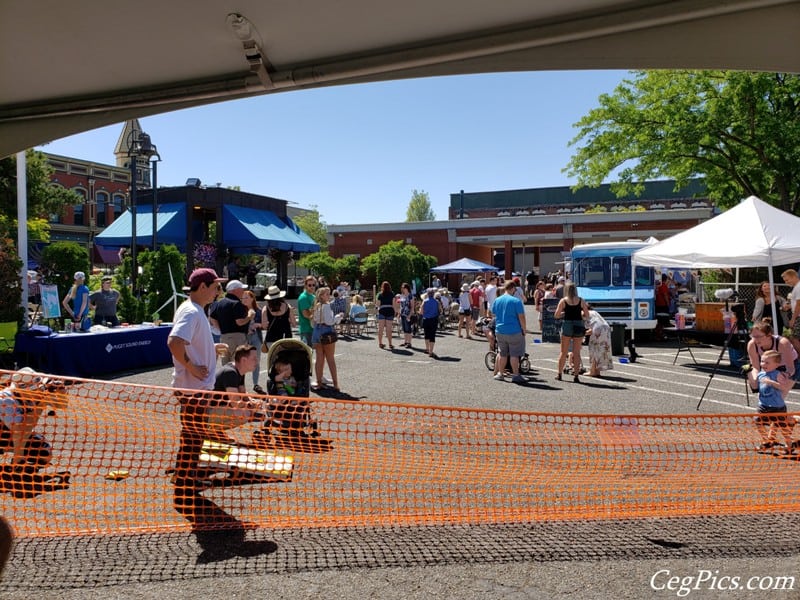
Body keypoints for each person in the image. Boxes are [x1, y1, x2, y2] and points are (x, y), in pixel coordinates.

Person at [167, 268, 259, 526]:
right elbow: (174, 342)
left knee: (193, 436)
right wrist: (193, 367)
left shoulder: (195, 310)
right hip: (193, 389)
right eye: (215, 286)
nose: (218, 291)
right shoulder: (191, 310)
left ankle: (185, 479)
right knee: (193, 437)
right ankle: (185, 482)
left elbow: (188, 342)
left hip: (196, 388)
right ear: (203, 286)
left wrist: (210, 348)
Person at [210, 344, 264, 437]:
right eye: (254, 358)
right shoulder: (230, 373)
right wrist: (252, 405)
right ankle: (210, 431)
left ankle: (216, 430)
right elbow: (236, 403)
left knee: (248, 411)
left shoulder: (239, 371)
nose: (257, 361)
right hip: (207, 411)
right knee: (244, 414)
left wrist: (252, 401)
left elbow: (243, 393)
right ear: (243, 360)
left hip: (218, 408)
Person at [753, 350, 796, 455]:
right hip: (763, 406)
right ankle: (766, 441)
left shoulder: (777, 374)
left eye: (767, 363)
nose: (763, 364)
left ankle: (789, 445)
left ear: (776, 364)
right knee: (757, 421)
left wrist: (771, 382)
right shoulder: (761, 374)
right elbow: (760, 387)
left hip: (777, 407)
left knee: (782, 427)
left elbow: (783, 387)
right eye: (762, 361)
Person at [745, 318, 798, 391]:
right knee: (764, 394)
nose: (755, 340)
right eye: (753, 336)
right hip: (768, 365)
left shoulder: (782, 343)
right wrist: (755, 379)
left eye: (759, 337)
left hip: (788, 367)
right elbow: (755, 367)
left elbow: (791, 368)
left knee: (778, 397)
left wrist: (785, 375)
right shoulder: (752, 344)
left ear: (769, 335)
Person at [210, 279, 255, 365]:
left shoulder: (219, 303)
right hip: (237, 338)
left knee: (226, 364)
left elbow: (212, 318)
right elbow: (239, 322)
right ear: (235, 290)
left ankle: (226, 378)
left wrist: (221, 329)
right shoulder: (236, 303)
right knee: (238, 364)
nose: (243, 291)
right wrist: (249, 317)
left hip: (224, 337)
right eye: (241, 289)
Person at [491, 280, 527, 383]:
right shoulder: (516, 301)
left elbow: (493, 314)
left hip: (500, 330)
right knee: (514, 354)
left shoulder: (497, 300)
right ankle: (515, 375)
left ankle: (500, 374)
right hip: (514, 330)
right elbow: (521, 317)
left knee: (502, 353)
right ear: (512, 288)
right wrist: (524, 329)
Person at [555, 282, 590, 382]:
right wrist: (580, 314)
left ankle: (559, 374)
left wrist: (564, 313)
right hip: (579, 324)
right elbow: (587, 315)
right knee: (577, 352)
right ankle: (576, 376)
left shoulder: (563, 301)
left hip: (567, 324)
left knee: (563, 351)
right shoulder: (581, 300)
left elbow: (556, 315)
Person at [311, 287, 339, 391]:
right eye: (327, 294)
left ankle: (319, 383)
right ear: (322, 296)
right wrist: (338, 317)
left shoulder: (316, 306)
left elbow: (313, 321)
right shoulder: (327, 306)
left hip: (317, 331)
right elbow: (329, 321)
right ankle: (336, 384)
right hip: (327, 331)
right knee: (330, 359)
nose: (329, 296)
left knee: (319, 359)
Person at [240, 290, 264, 394]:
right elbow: (239, 323)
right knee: (242, 360)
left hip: (256, 336)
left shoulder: (258, 310)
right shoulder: (241, 310)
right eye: (243, 298)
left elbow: (263, 324)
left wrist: (257, 325)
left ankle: (256, 383)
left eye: (246, 297)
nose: (244, 300)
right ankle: (241, 384)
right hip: (244, 337)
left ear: (252, 298)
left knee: (256, 360)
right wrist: (246, 328)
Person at [262, 285, 294, 352]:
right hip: (286, 338)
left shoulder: (265, 309)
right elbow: (294, 323)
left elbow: (264, 326)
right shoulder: (287, 307)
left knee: (273, 360)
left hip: (271, 338)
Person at [585, 306, 613, 378]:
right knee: (601, 350)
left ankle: (592, 371)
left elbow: (592, 329)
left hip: (598, 329)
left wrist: (580, 334)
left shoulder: (584, 312)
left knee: (594, 349)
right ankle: (597, 371)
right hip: (606, 328)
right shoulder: (595, 312)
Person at [781, 268, 800, 355]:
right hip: (797, 315)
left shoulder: (798, 287)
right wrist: (789, 306)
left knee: (794, 338)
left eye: (787, 280)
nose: (786, 282)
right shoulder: (796, 287)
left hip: (798, 316)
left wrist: (793, 319)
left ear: (794, 276)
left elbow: (799, 305)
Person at [297, 275, 317, 346]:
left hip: (313, 328)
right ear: (305, 286)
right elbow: (306, 314)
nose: (312, 287)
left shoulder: (313, 296)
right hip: (306, 329)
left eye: (313, 285)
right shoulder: (303, 297)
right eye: (309, 285)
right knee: (307, 353)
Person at [420, 288, 440, 358]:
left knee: (426, 334)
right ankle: (431, 352)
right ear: (433, 294)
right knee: (432, 335)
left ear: (427, 294)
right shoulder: (436, 302)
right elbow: (440, 310)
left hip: (426, 319)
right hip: (434, 320)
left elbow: (421, 312)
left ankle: (427, 349)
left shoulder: (424, 301)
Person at [376, 280, 396, 349]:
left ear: (382, 287)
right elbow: (394, 305)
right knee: (389, 329)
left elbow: (378, 305)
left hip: (382, 311)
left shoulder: (380, 294)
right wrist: (395, 312)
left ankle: (380, 343)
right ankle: (390, 344)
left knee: (380, 329)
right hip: (390, 311)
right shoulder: (392, 294)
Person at [397, 282, 415, 348]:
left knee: (408, 329)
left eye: (403, 288)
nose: (402, 289)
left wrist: (410, 315)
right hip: (402, 314)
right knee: (404, 329)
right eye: (401, 288)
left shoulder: (410, 296)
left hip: (408, 314)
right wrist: (398, 313)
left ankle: (409, 343)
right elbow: (399, 305)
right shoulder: (401, 295)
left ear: (406, 288)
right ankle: (405, 342)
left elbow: (412, 306)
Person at [654, 274, 671, 341]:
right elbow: (665, 295)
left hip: (658, 304)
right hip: (662, 305)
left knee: (659, 320)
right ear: (666, 279)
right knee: (662, 321)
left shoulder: (658, 285)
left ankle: (659, 334)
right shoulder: (663, 286)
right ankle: (659, 334)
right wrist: (667, 303)